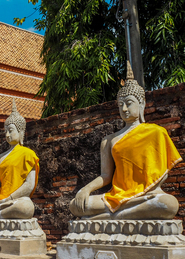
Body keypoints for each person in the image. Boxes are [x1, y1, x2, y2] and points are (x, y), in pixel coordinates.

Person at [69, 61, 182, 220]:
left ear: (141, 104)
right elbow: (106, 176)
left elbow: (162, 174)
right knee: (75, 205)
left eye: (129, 103)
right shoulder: (109, 140)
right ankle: (119, 214)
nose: (124, 109)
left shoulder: (156, 132)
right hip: (117, 196)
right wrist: (85, 190)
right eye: (120, 105)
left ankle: (110, 217)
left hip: (146, 195)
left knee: (168, 204)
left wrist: (143, 190)